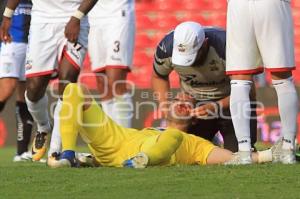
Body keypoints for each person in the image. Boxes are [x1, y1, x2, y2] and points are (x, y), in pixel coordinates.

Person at [48, 83, 277, 168]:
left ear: (195, 119)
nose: (182, 102)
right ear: (166, 109)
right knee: (74, 90)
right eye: (178, 99)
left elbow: (232, 157)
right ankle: (67, 154)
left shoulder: (194, 143)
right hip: (118, 141)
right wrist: (91, 158)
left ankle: (141, 161)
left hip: (145, 154)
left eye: (188, 104)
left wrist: (268, 155)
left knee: (174, 136)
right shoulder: (147, 131)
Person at [0, 0, 99, 161]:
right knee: (33, 91)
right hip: (42, 21)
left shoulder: (76, 18)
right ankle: (44, 126)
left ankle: (55, 151)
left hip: (74, 18)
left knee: (67, 82)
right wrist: (7, 16)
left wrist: (77, 17)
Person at [151, 21, 257, 152]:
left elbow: (248, 91)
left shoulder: (227, 47)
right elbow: (158, 76)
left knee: (240, 153)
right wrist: (166, 108)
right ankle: (210, 139)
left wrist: (216, 105)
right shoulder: (166, 49)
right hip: (195, 106)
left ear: (205, 43)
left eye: (192, 56)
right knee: (184, 152)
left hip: (233, 103)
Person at [226, 0, 298, 164]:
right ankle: (287, 149)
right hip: (272, 4)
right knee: (282, 77)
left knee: (239, 79)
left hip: (239, 6)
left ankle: (244, 153)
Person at [87, 0, 135, 128]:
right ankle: (112, 135)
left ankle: (126, 134)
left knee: (116, 79)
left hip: (118, 14)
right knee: (101, 81)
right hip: (92, 15)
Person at [0, 0, 33, 161]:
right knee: (7, 89)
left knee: (26, 96)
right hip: (11, 42)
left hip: (31, 43)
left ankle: (21, 152)